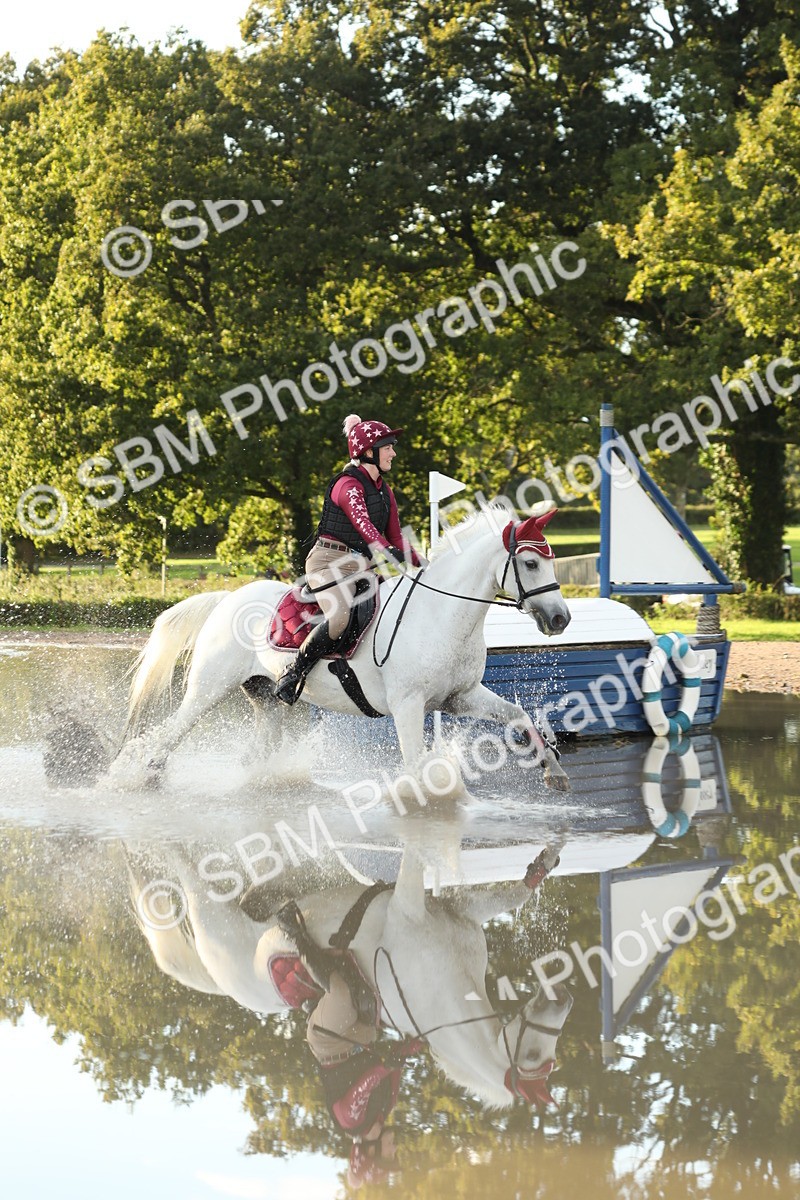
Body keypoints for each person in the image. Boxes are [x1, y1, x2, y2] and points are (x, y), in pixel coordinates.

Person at [274, 414, 423, 705]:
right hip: (326, 561)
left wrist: (423, 564)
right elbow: (364, 526)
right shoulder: (348, 485)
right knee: (340, 617)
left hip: (359, 565)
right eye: (388, 446)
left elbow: (396, 537)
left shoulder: (384, 491)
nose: (394, 452)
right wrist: (385, 550)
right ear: (369, 452)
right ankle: (294, 671)